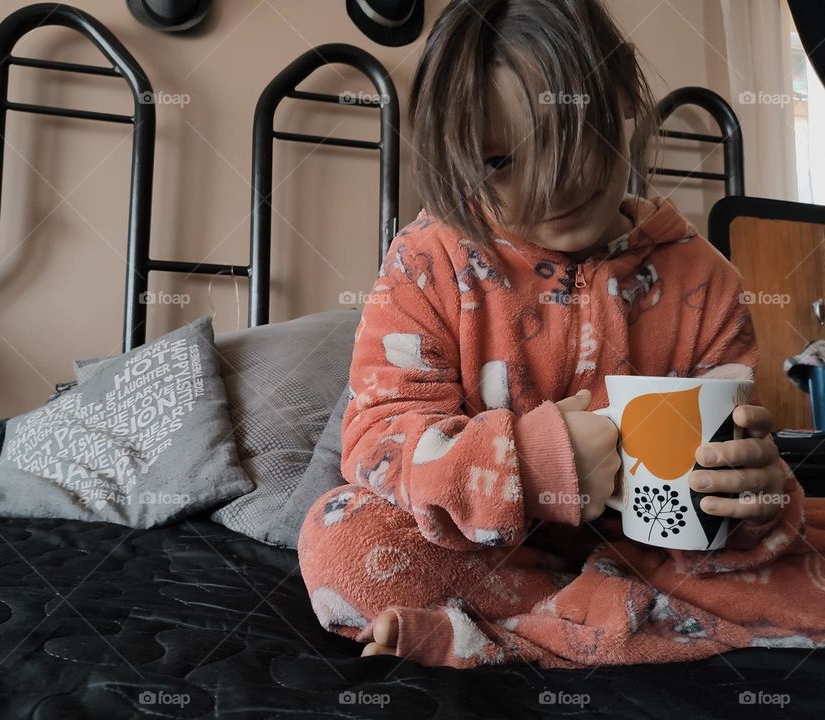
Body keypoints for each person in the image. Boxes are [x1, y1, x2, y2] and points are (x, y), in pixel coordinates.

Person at [298, 0, 812, 669]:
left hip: (650, 555)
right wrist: (528, 465)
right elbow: (378, 441)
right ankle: (609, 628)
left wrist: (752, 494)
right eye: (499, 162)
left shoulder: (703, 280)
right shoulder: (428, 259)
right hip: (491, 552)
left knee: (793, 548)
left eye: (573, 139)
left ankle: (504, 640)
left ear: (624, 96)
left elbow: (730, 474)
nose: (552, 185)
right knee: (341, 541)